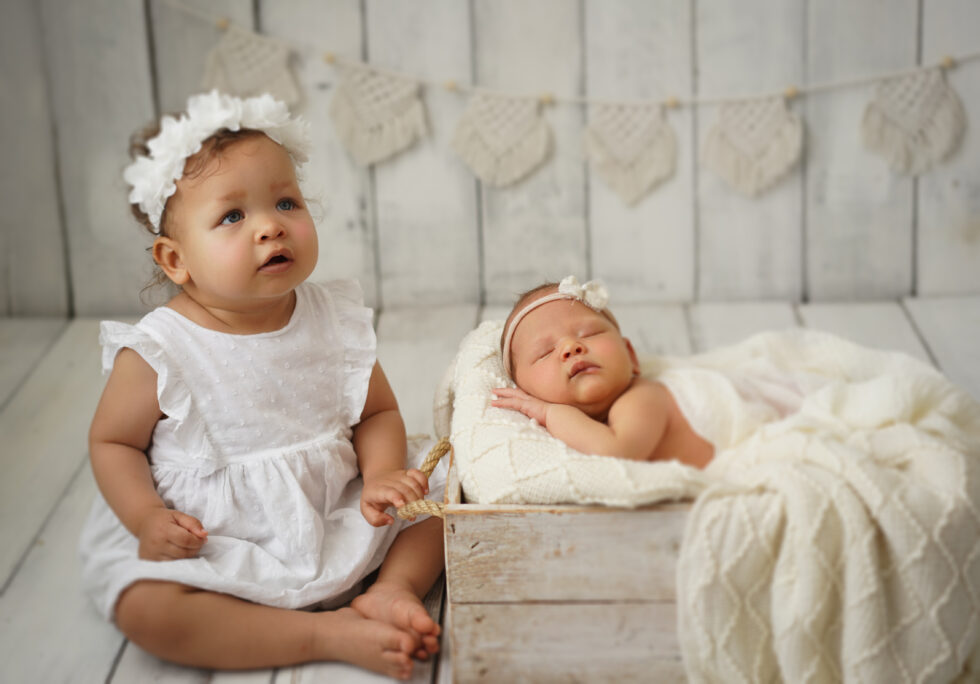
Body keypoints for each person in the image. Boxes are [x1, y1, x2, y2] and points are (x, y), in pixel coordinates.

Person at [79, 91, 445, 680]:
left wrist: (380, 477)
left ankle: (392, 589)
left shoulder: (334, 319)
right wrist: (147, 517)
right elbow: (113, 444)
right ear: (176, 260)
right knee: (147, 610)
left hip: (336, 504)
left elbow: (376, 413)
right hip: (217, 536)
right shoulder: (160, 349)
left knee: (445, 492)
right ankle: (321, 634)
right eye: (233, 216)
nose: (271, 226)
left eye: (285, 201)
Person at [492, 276, 714, 469]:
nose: (571, 347)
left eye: (590, 333)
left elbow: (615, 453)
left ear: (631, 356)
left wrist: (548, 413)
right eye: (545, 352)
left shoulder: (642, 397)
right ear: (523, 391)